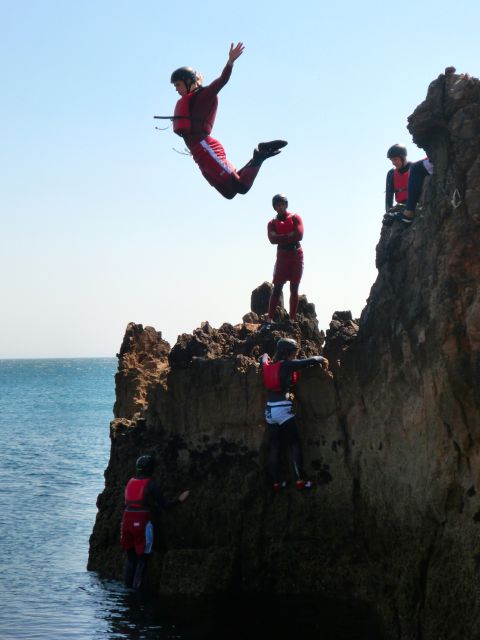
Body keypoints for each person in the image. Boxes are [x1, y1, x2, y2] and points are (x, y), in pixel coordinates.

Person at [169, 43, 287, 199]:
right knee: (229, 192)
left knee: (241, 187)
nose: (176, 89)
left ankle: (259, 155)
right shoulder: (188, 101)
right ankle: (258, 156)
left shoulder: (203, 95)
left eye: (178, 84)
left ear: (188, 81)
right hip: (199, 156)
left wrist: (230, 61)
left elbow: (222, 80)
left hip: (206, 148)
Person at [260, 338, 329, 492]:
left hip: (269, 411)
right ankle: (300, 481)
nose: (295, 355)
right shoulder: (287, 365)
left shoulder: (268, 366)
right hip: (283, 411)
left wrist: (265, 356)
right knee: (295, 445)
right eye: (294, 353)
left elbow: (263, 358)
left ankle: (276, 484)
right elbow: (309, 361)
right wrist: (321, 358)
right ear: (288, 352)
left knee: (275, 448)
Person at [120, 454, 189, 589]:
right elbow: (164, 505)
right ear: (150, 469)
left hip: (126, 521)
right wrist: (179, 500)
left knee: (131, 558)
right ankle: (136, 592)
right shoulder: (150, 484)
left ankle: (126, 591)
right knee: (142, 559)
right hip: (141, 522)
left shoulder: (130, 482)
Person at [266, 194, 304, 323]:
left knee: (294, 288)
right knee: (277, 287)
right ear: (274, 207)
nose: (280, 207)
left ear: (286, 205)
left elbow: (299, 235)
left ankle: (292, 319)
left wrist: (280, 236)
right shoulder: (271, 223)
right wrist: (289, 235)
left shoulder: (295, 218)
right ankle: (270, 318)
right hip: (282, 256)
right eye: (278, 205)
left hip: (296, 254)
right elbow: (272, 240)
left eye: (282, 204)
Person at [385, 144, 411, 212]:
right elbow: (388, 198)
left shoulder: (415, 168)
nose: (393, 163)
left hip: (415, 204)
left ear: (403, 157)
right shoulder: (391, 173)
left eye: (395, 159)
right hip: (400, 207)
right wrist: (388, 213)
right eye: (391, 160)